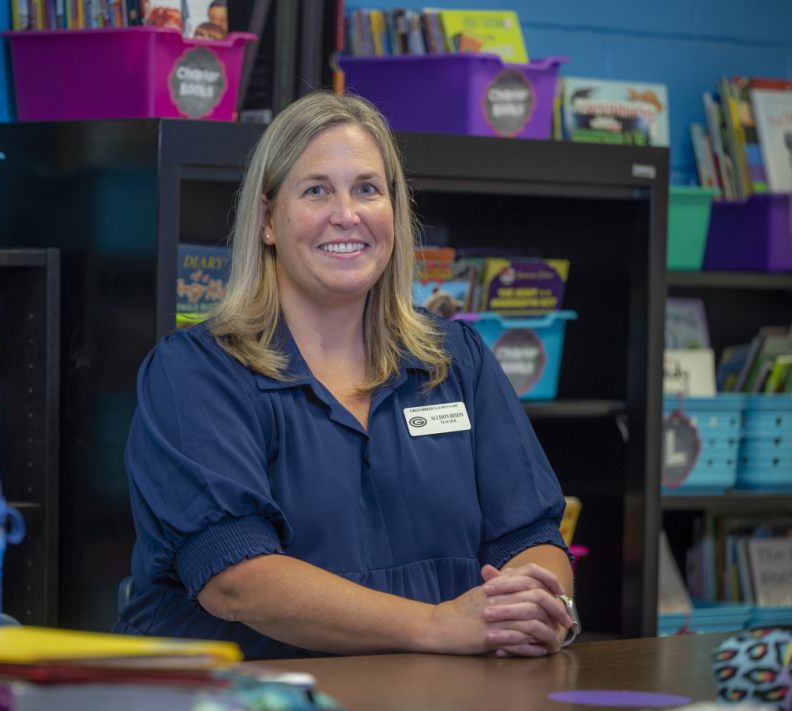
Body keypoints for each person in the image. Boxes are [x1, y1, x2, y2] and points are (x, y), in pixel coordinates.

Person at [113, 91, 577, 660]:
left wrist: (531, 610)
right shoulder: (195, 373)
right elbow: (234, 578)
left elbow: (530, 535)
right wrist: (437, 626)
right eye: (316, 190)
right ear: (266, 221)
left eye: (367, 189)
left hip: (437, 694)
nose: (347, 214)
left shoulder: (456, 359)